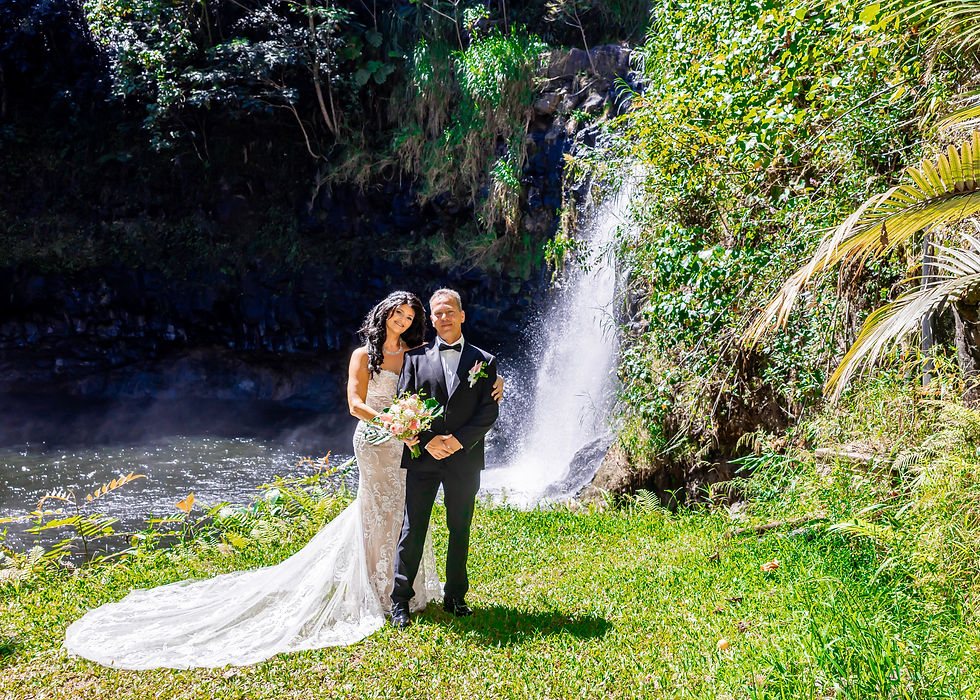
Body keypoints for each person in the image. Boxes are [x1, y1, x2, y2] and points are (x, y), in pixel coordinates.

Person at [63, 290, 503, 669]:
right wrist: (399, 425)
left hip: (410, 444)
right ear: (385, 314)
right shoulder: (369, 355)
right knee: (386, 511)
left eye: (411, 317)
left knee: (403, 513)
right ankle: (384, 591)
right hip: (383, 440)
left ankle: (414, 589)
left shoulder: (415, 354)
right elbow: (360, 403)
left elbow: (437, 396)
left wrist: (491, 388)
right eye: (399, 315)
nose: (405, 321)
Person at [390, 288, 500, 628]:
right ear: (432, 320)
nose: (444, 317)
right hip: (424, 456)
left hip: (464, 458)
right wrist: (427, 440)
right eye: (437, 313)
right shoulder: (414, 358)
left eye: (449, 311)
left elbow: (488, 412)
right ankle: (399, 602)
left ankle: (455, 596)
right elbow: (401, 406)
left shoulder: (486, 362)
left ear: (462, 315)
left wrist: (457, 442)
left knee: (459, 527)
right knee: (413, 527)